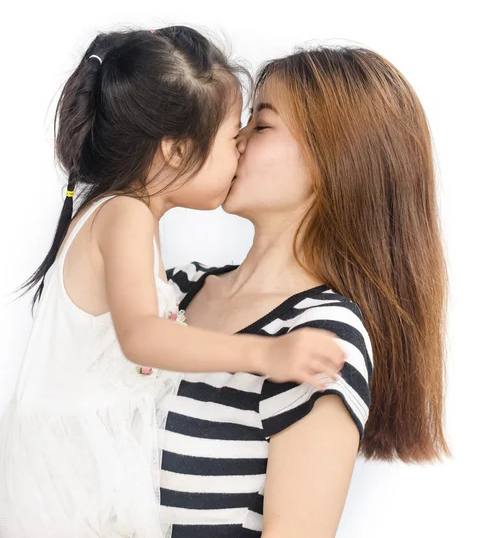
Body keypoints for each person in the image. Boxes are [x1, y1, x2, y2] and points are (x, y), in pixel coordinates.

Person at [0, 28, 346, 538]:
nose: (241, 150)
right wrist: (264, 355)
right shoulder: (125, 216)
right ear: (176, 152)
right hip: (79, 476)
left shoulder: (123, 218)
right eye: (234, 137)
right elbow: (142, 336)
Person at [162, 46, 449, 538]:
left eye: (261, 124)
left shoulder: (319, 337)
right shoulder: (176, 288)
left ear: (331, 160)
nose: (235, 137)